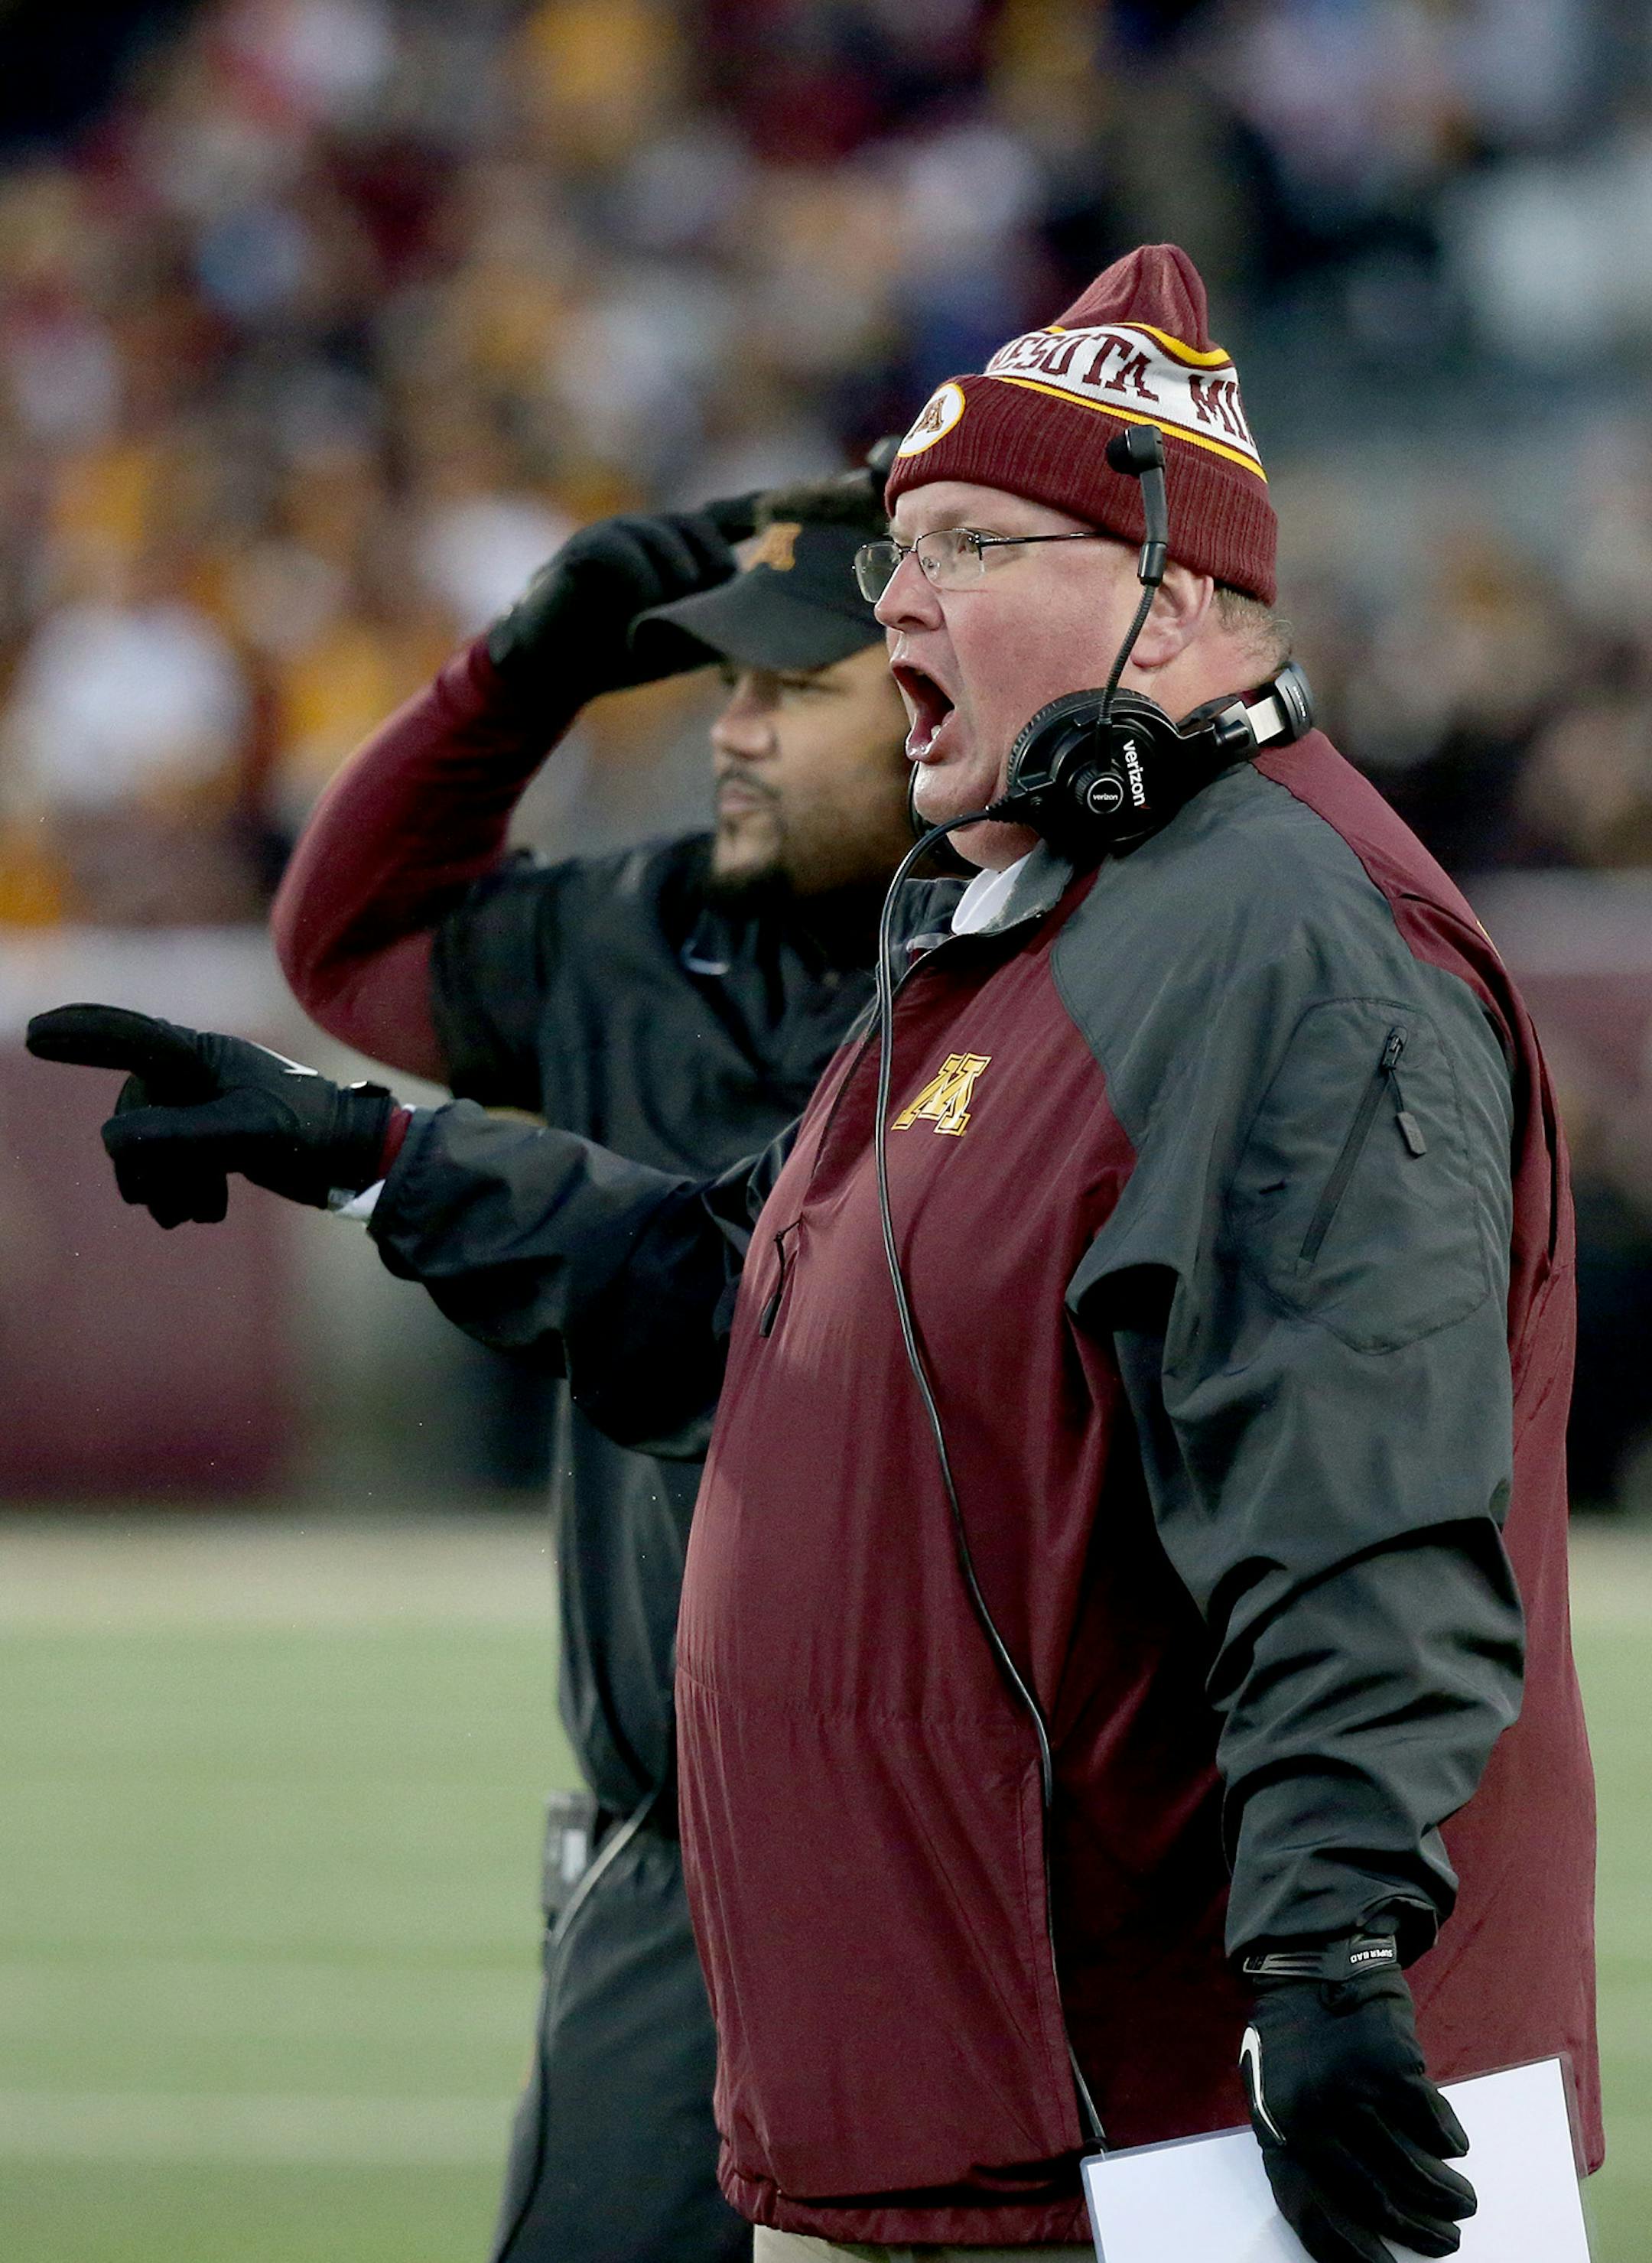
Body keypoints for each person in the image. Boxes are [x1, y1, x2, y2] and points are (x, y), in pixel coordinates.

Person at [31, 247, 1598, 2263]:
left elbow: (1352, 1502)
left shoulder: (1283, 948)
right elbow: (737, 1292)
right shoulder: (1047, 917)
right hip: (1002, 2084)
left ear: (1177, 591)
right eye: (899, 552)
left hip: (1172, 2122)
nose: (899, 597)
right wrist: (360, 1151)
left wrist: (1328, 1961)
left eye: (965, 545)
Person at [283, 467, 925, 2263]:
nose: (731, 732)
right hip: (679, 1851)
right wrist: (517, 674)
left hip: (956, 1837)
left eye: (796, 692)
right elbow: (344, 944)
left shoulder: (1047, 962)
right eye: (720, 686)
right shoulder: (637, 928)